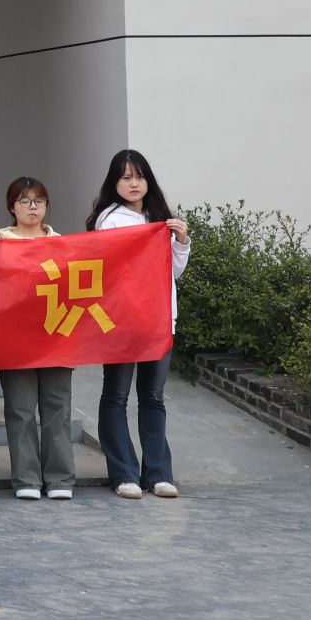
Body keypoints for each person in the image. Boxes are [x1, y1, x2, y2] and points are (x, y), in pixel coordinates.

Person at [87, 149, 191, 501]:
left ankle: (159, 474)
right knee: (116, 396)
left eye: (139, 176)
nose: (133, 183)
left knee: (153, 397)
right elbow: (111, 268)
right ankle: (124, 473)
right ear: (114, 183)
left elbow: (173, 272)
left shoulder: (159, 217)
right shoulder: (109, 219)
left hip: (159, 320)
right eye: (125, 177)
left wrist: (181, 241)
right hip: (123, 322)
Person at [0, 177, 74, 502]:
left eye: (39, 200)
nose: (32, 207)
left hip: (56, 337)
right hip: (14, 340)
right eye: (24, 200)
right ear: (11, 207)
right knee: (20, 409)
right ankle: (26, 477)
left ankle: (60, 478)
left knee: (58, 409)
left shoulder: (63, 244)